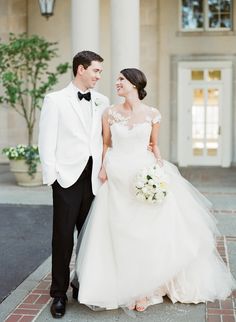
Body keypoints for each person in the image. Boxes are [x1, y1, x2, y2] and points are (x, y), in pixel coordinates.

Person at [74, 68, 235, 312]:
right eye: (117, 79)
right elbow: (105, 144)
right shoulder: (109, 113)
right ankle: (119, 284)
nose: (117, 83)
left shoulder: (153, 114)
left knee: (147, 233)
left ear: (135, 85)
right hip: (116, 178)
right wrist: (104, 168)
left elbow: (154, 146)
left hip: (143, 173)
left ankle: (146, 290)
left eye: (121, 80)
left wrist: (159, 170)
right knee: (117, 232)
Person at [38, 50, 109, 318]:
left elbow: (105, 140)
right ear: (81, 69)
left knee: (90, 238)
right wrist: (53, 178)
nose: (99, 76)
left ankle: (83, 285)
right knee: (63, 238)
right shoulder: (55, 100)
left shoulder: (102, 101)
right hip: (66, 179)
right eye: (96, 71)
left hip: (94, 180)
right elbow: (46, 140)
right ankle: (58, 294)